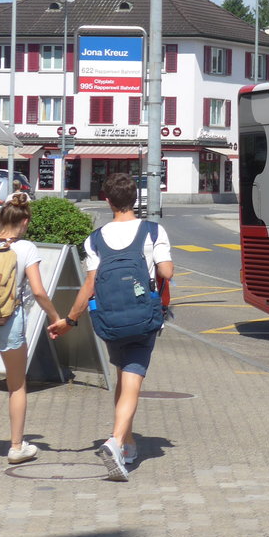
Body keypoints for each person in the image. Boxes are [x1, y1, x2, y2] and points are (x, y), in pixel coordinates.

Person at [49, 173, 174, 482]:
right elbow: (166, 271)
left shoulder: (95, 239)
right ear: (135, 199)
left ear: (107, 200)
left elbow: (89, 286)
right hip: (142, 318)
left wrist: (70, 320)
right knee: (132, 380)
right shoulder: (153, 231)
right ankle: (116, 442)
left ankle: (128, 444)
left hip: (110, 318)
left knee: (122, 375)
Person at [0, 192, 62, 474]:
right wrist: (56, 317)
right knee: (17, 385)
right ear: (24, 221)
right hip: (9, 322)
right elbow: (37, 291)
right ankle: (17, 447)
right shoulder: (26, 249)